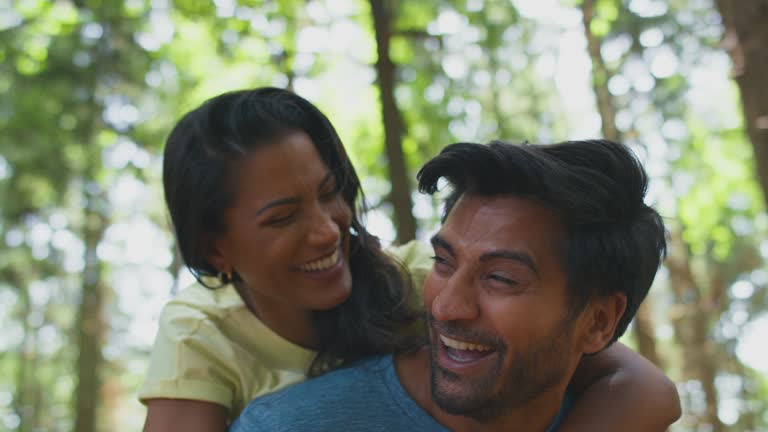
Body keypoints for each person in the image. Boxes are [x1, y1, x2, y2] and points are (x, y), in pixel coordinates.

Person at [140, 88, 680, 432]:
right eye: (282, 218)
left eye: (332, 193)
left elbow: (643, 386)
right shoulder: (199, 334)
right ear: (216, 248)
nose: (328, 230)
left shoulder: (420, 274)